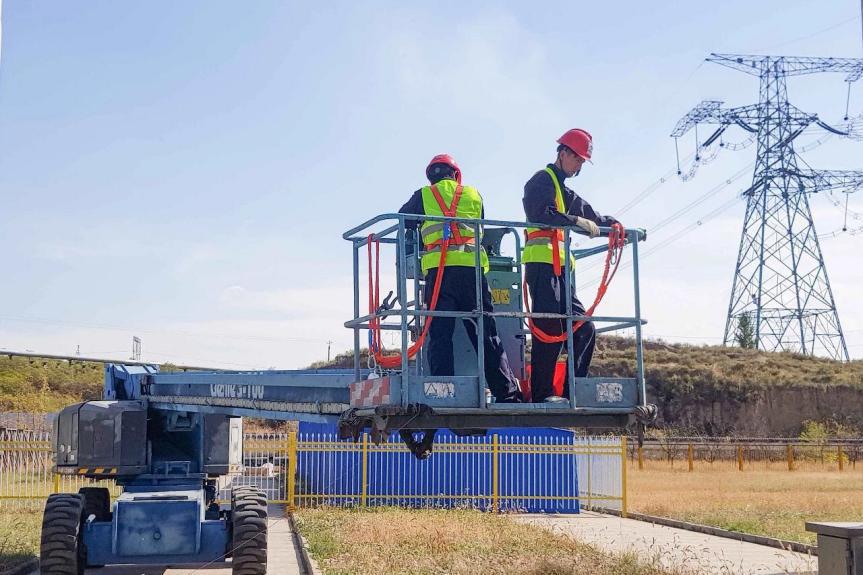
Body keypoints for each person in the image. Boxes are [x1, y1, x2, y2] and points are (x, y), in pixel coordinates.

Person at [398, 154, 523, 403]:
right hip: (471, 272)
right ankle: (507, 392)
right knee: (486, 332)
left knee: (440, 333)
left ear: (431, 177)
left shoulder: (424, 195)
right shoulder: (473, 194)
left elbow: (404, 220)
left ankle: (443, 392)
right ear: (455, 174)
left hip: (440, 272)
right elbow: (481, 225)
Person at [522, 129, 619, 403]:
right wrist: (574, 222)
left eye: (582, 162)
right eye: (577, 160)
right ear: (563, 153)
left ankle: (572, 392)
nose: (579, 166)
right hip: (543, 267)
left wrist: (614, 226)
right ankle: (542, 395)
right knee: (549, 328)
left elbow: (591, 216)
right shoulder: (541, 181)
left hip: (562, 272)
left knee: (583, 329)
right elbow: (541, 214)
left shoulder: (563, 191)